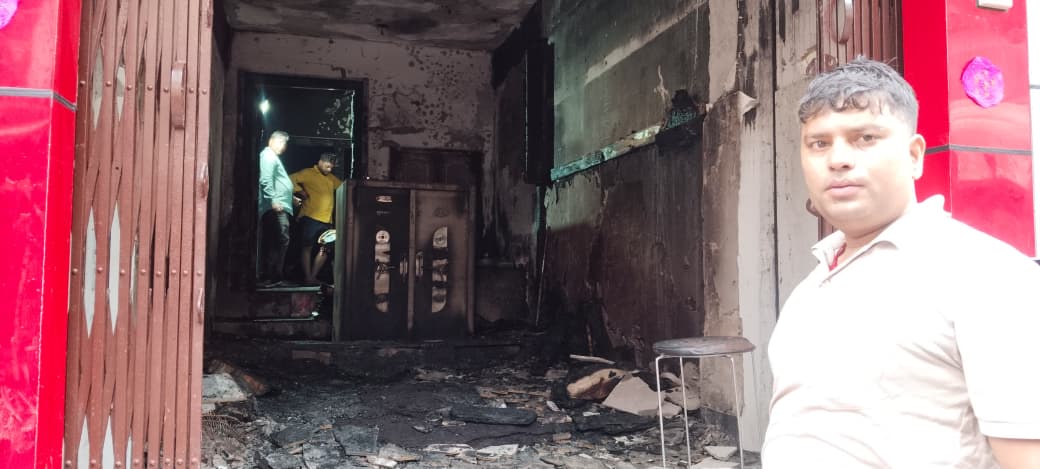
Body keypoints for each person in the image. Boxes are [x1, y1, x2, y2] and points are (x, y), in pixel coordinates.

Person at [763, 58, 1040, 468]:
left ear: (914, 156)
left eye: (865, 137)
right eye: (819, 143)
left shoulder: (986, 276)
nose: (837, 159)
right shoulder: (814, 283)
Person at [290, 152, 343, 284]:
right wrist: (299, 191)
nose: (329, 170)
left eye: (331, 168)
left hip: (327, 220)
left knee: (326, 248)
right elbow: (290, 179)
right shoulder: (308, 173)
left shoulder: (331, 178)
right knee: (307, 247)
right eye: (327, 166)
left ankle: (312, 276)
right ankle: (307, 276)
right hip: (310, 217)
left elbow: (344, 186)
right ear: (320, 162)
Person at [257, 130, 294, 287]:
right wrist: (274, 200)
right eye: (280, 142)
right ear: (271, 141)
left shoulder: (272, 157)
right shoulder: (268, 156)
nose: (283, 146)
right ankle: (271, 276)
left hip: (279, 205)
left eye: (284, 143)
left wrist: (291, 198)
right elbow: (265, 179)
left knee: (279, 240)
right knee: (278, 240)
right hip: (276, 207)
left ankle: (274, 276)